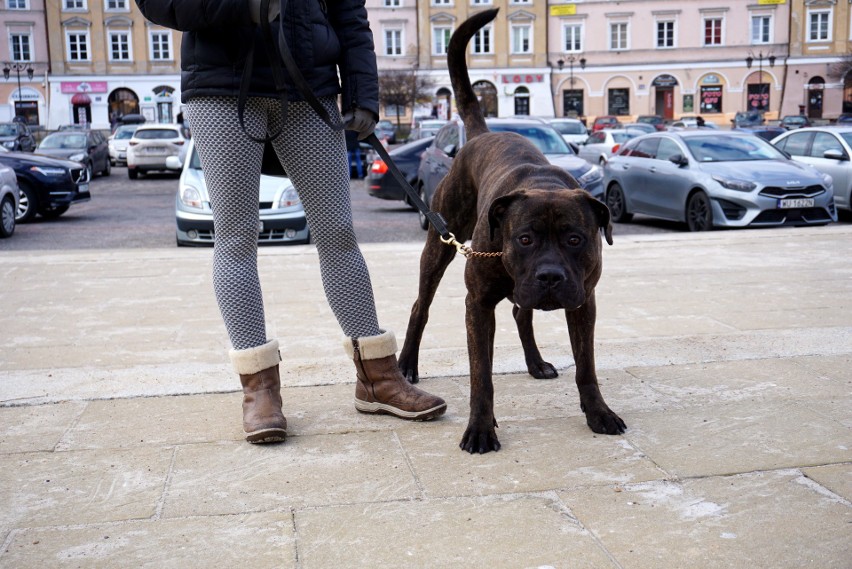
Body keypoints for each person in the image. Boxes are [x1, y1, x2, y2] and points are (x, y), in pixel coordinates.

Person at [135, 0, 446, 444]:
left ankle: (377, 378)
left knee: (338, 231)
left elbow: (350, 14)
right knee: (236, 235)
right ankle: (259, 389)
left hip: (309, 84)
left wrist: (362, 93)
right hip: (220, 85)